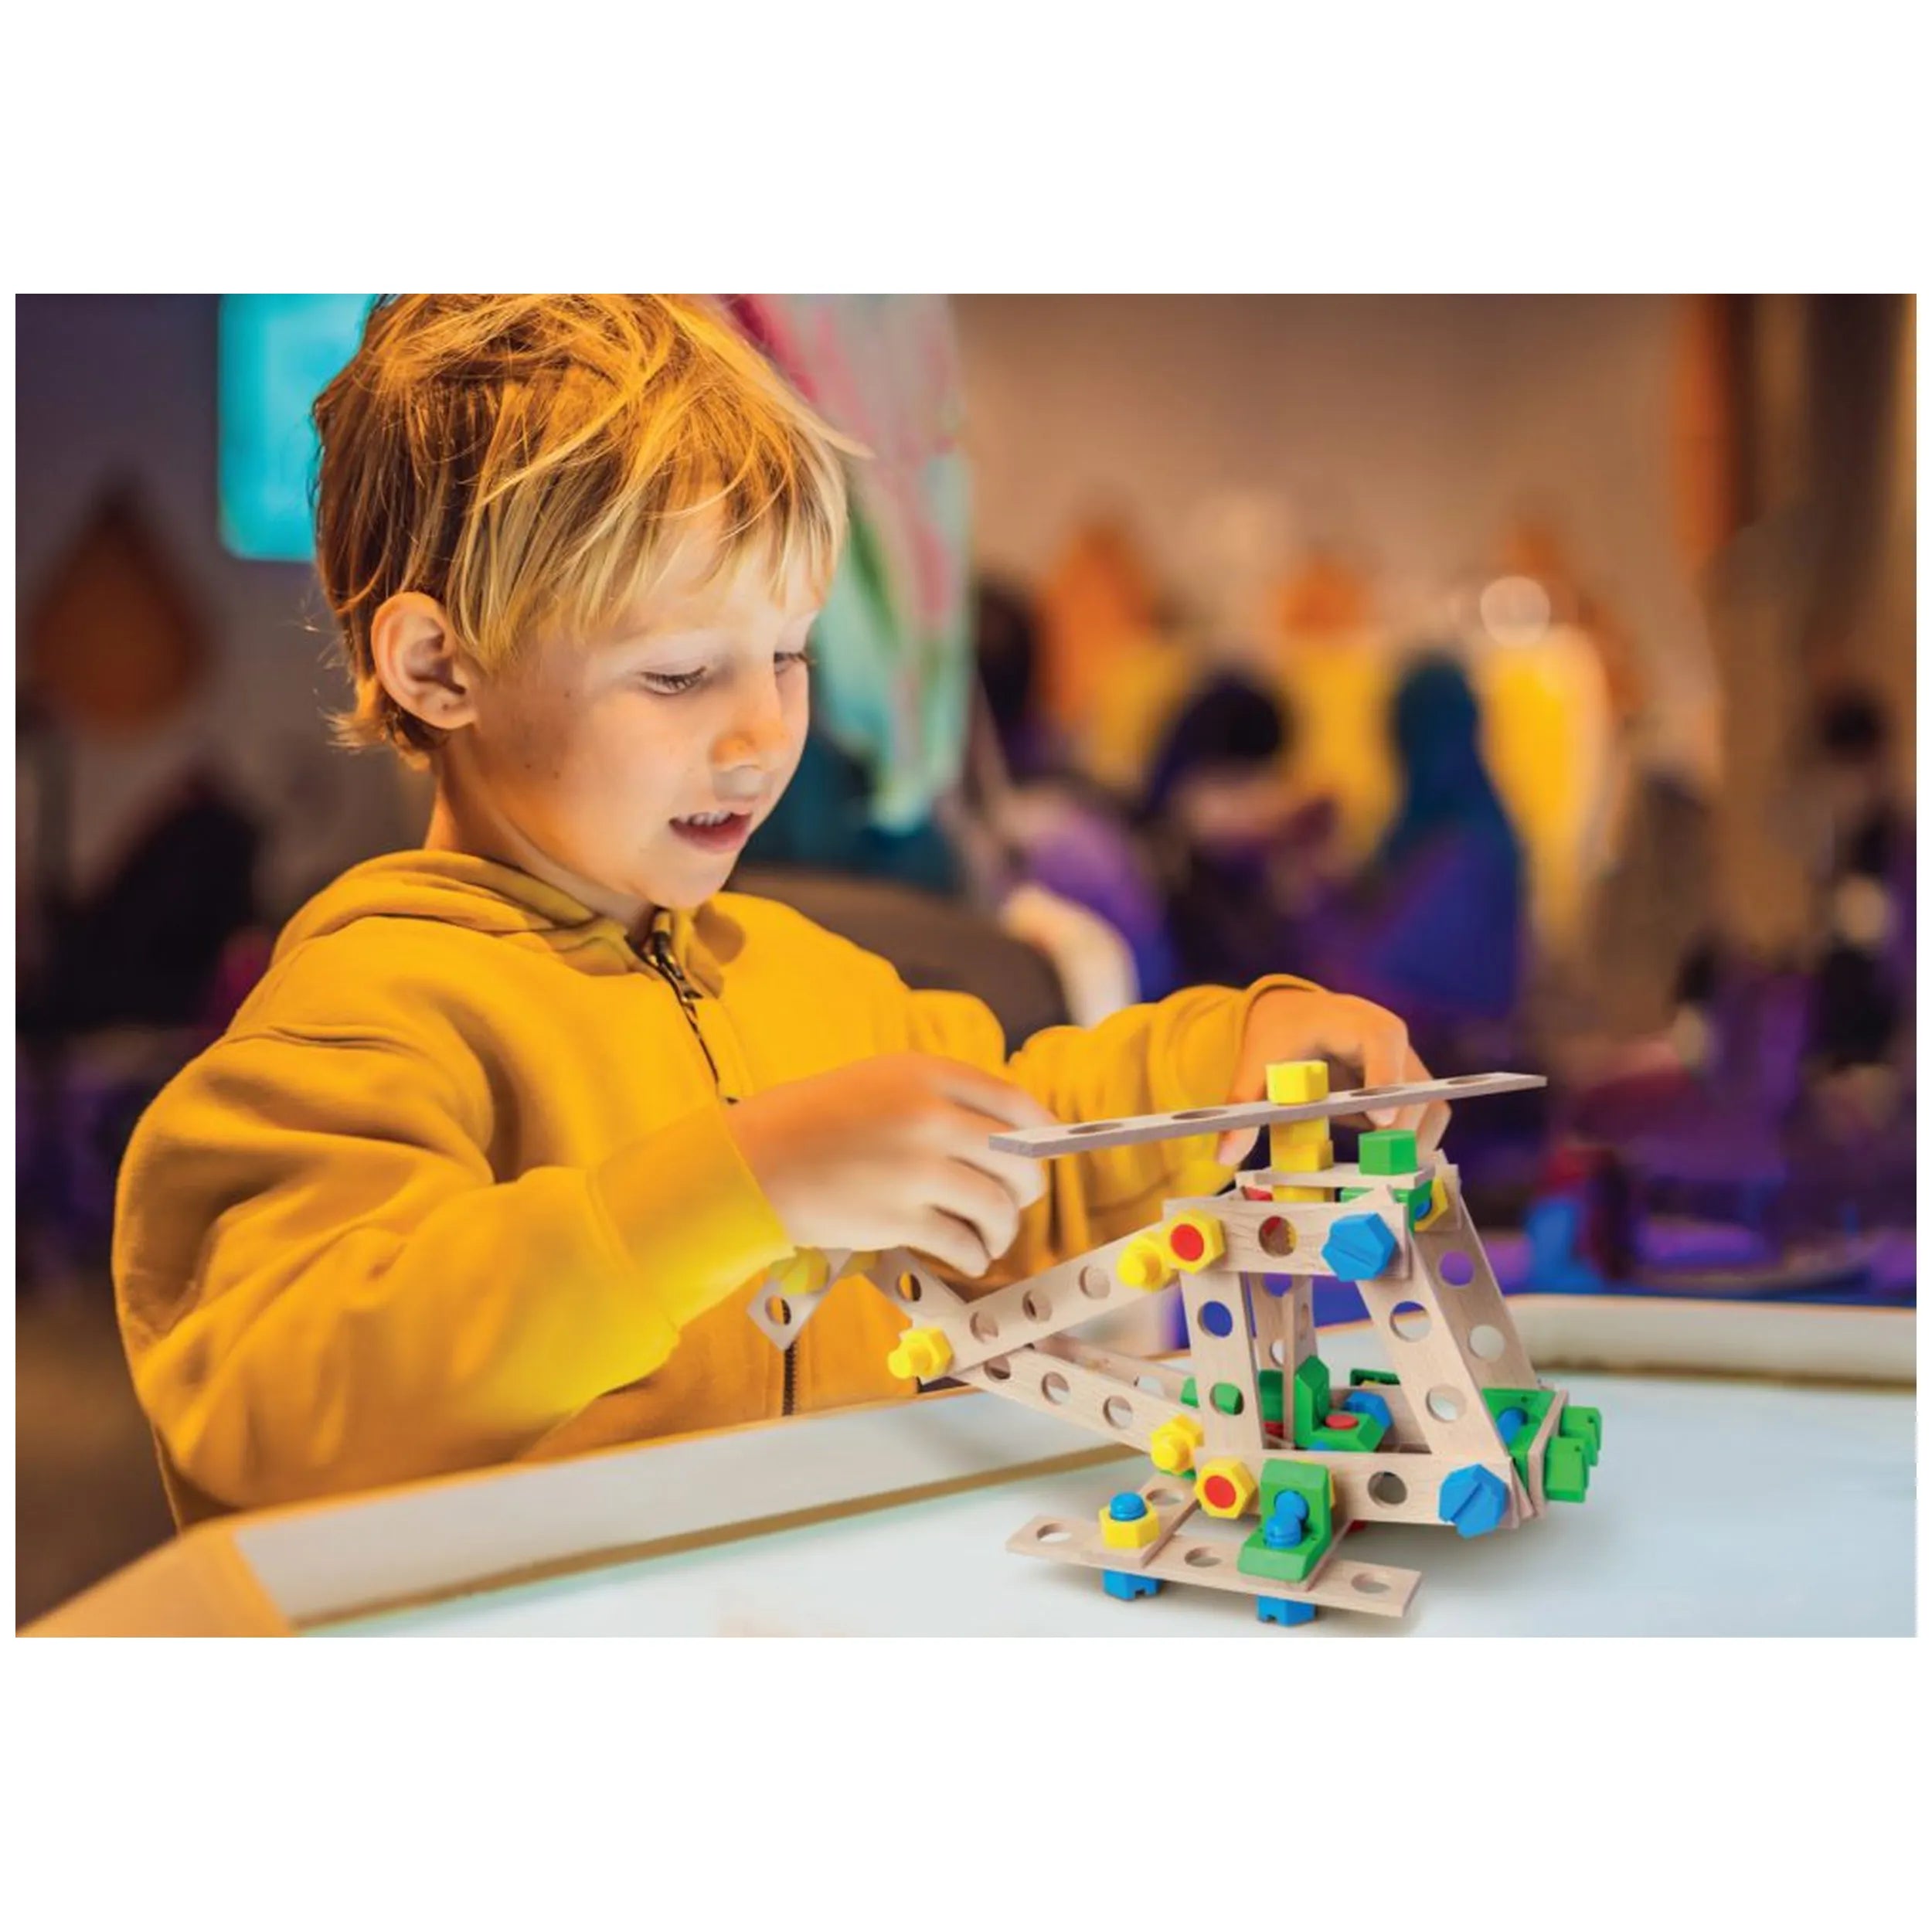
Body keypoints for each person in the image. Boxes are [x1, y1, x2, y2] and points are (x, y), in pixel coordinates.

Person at [111, 295, 1444, 1526]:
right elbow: (280, 1399)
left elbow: (1023, 1153)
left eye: (790, 656)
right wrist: (736, 1187)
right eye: (681, 672)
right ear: (438, 665)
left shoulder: (813, 983)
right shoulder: (364, 1017)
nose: (762, 734)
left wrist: (1241, 1059)